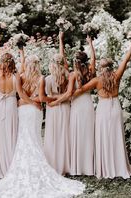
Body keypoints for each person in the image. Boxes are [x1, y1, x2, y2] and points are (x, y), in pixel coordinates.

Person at [0, 50, 85, 198]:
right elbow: (41, 98)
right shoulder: (41, 78)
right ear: (37, 65)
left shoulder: (21, 76)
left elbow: (21, 95)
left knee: (23, 138)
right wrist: (35, 103)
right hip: (34, 111)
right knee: (34, 138)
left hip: (22, 110)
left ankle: (22, 167)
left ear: (27, 65)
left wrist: (25, 101)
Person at [73, 41, 131, 179]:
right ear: (111, 66)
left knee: (103, 136)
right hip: (115, 107)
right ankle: (119, 167)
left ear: (101, 68)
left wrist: (66, 95)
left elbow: (80, 90)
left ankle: (106, 168)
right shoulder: (117, 75)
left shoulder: (97, 80)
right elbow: (125, 60)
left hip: (103, 108)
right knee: (117, 136)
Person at [0, 36, 37, 179]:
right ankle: (11, 164)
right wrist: (33, 102)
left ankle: (0, 165)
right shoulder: (16, 76)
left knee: (0, 133)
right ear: (12, 63)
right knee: (12, 132)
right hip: (10, 104)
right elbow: (21, 93)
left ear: (3, 63)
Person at [50, 36, 96, 176]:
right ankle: (89, 166)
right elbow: (94, 59)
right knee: (89, 133)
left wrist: (55, 102)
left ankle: (78, 166)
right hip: (88, 104)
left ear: (74, 62)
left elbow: (70, 93)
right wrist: (90, 44)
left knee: (76, 134)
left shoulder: (72, 75)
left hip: (76, 106)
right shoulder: (90, 71)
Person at [40, 31, 71, 175]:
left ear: (52, 64)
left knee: (53, 135)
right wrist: (61, 40)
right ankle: (66, 164)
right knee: (65, 135)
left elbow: (46, 96)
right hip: (65, 106)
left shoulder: (48, 79)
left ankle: (52, 164)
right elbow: (63, 60)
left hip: (53, 108)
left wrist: (52, 100)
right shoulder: (68, 76)